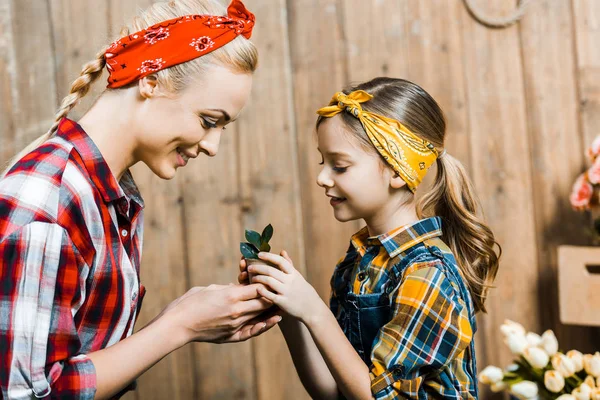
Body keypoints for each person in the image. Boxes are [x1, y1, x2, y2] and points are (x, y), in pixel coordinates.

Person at [0, 1, 280, 399]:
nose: (214, 146)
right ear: (151, 78)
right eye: (208, 121)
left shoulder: (114, 195)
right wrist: (179, 325)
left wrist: (185, 317)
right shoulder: (50, 205)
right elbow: (25, 393)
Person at [239, 78, 501, 399]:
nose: (322, 177)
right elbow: (334, 392)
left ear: (395, 170)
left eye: (340, 166)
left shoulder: (427, 274)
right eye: (324, 163)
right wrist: (291, 312)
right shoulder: (358, 262)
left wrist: (315, 311)